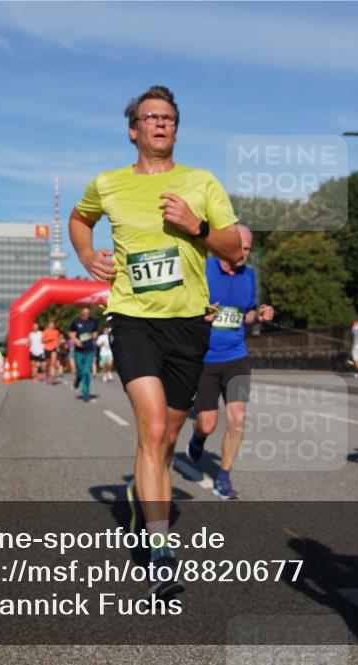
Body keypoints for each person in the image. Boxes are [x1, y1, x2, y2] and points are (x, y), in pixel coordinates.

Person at [69, 85, 241, 598]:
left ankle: (138, 489)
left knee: (166, 438)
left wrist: (198, 225)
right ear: (133, 129)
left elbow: (233, 246)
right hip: (131, 317)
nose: (161, 124)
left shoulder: (201, 181)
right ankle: (162, 550)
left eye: (169, 118)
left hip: (189, 322)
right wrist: (86, 254)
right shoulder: (108, 183)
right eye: (151, 117)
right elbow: (80, 220)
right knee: (149, 428)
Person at [170, 224, 274, 500]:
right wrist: (201, 314)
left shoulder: (249, 276)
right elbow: (183, 307)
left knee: (237, 419)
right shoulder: (204, 270)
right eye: (240, 246)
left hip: (237, 357)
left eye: (248, 248)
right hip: (205, 358)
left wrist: (259, 315)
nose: (244, 253)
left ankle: (224, 476)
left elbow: (246, 313)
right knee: (206, 424)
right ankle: (197, 439)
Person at [69, 307, 99, 401]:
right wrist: (76, 340)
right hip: (79, 351)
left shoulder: (93, 321)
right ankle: (78, 379)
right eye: (84, 313)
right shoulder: (76, 322)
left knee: (86, 372)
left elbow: (95, 332)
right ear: (81, 313)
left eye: (88, 313)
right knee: (80, 371)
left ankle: (85, 392)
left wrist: (92, 335)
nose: (86, 315)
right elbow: (70, 332)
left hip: (90, 350)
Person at [41, 320, 61, 385]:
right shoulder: (44, 332)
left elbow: (58, 339)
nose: (52, 326)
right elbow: (42, 341)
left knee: (53, 363)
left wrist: (58, 344)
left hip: (54, 348)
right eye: (50, 325)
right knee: (47, 364)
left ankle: (52, 378)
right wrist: (48, 339)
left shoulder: (56, 332)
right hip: (47, 349)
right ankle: (47, 374)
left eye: (53, 325)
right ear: (48, 325)